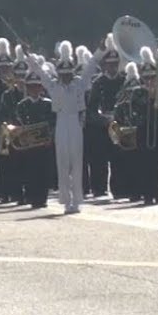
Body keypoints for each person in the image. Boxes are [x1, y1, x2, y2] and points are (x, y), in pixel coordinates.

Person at [25, 40, 99, 214]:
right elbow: (39, 71)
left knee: (77, 162)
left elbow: (89, 68)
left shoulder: (79, 84)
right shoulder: (53, 86)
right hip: (61, 121)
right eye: (63, 74)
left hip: (74, 122)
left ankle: (77, 199)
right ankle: (66, 200)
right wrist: (28, 56)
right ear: (59, 73)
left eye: (68, 74)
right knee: (63, 163)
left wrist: (99, 52)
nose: (65, 77)